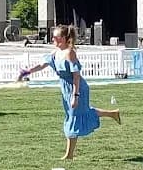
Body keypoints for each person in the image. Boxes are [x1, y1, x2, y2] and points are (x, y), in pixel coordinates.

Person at [17, 25, 121, 160]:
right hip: (66, 89)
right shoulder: (56, 52)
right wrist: (27, 72)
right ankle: (113, 113)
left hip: (77, 88)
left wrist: (75, 96)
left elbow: (76, 76)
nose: (52, 39)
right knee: (82, 113)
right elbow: (42, 65)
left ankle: (69, 154)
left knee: (73, 118)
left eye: (55, 37)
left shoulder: (70, 53)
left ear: (64, 38)